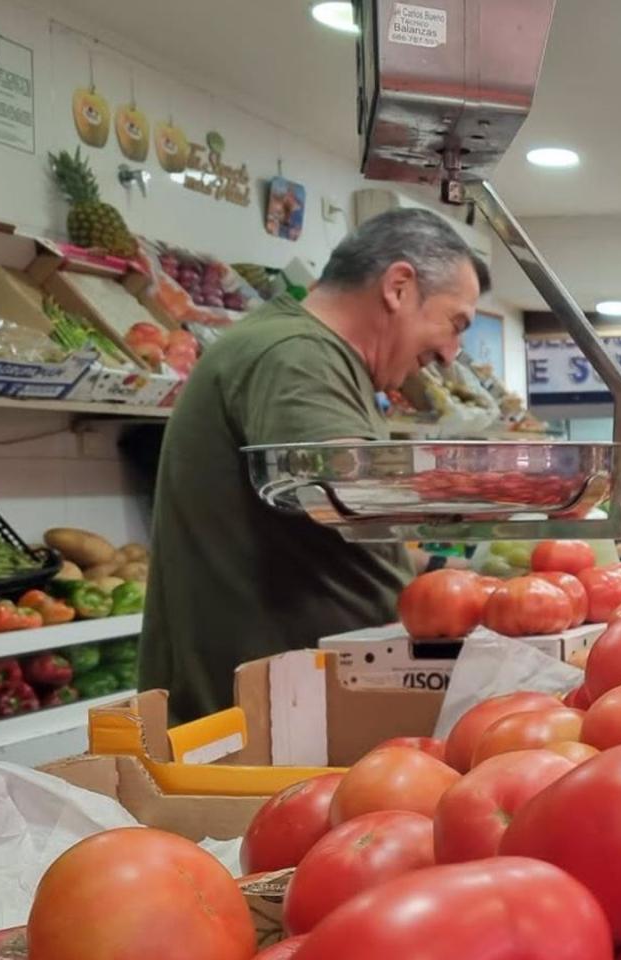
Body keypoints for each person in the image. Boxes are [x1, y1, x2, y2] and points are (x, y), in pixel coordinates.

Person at [141, 209, 489, 721]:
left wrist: (444, 572)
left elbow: (318, 533)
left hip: (295, 706)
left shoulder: (312, 354)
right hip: (262, 722)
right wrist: (505, 488)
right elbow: (355, 493)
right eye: (454, 324)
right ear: (398, 287)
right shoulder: (297, 356)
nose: (450, 354)